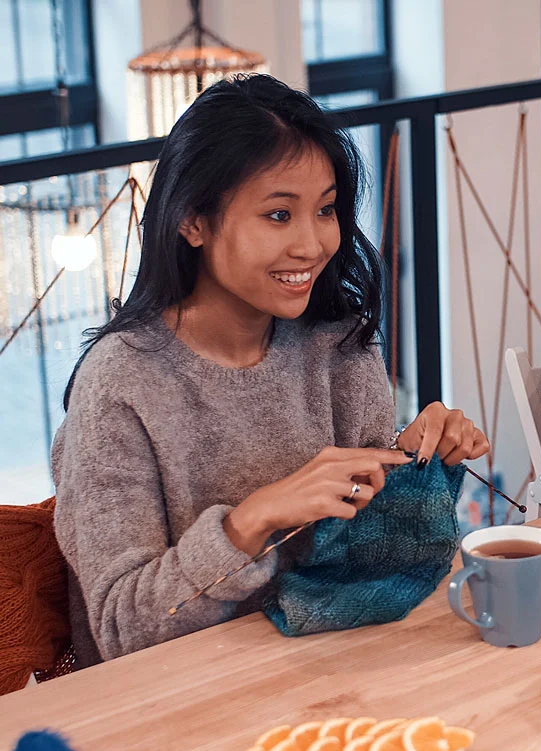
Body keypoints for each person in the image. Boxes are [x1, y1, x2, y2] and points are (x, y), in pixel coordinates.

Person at [53, 74, 489, 666]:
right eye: (279, 215)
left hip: (334, 667)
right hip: (184, 703)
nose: (312, 245)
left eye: (326, 210)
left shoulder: (338, 344)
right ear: (193, 221)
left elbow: (360, 564)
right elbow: (123, 632)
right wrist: (252, 521)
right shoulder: (121, 386)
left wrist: (411, 460)